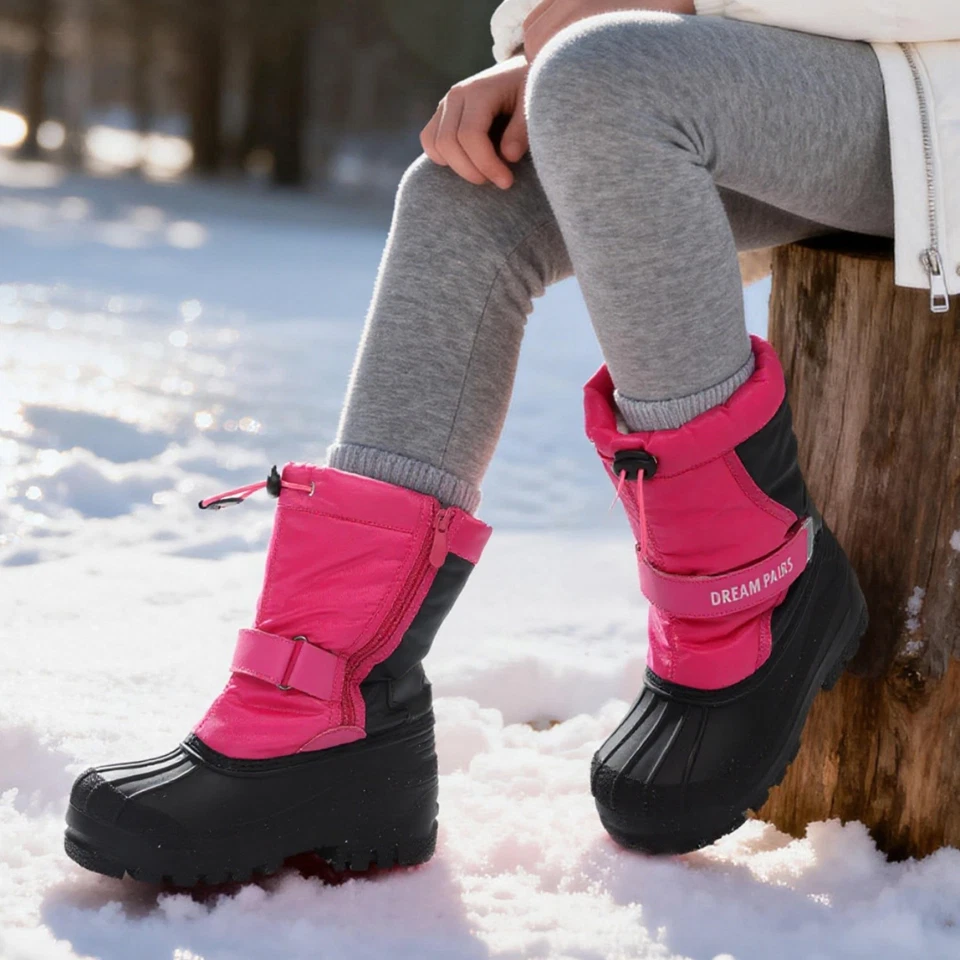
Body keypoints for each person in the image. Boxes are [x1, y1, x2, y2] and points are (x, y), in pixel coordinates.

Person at [65, 0, 959, 883]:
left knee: (605, 75)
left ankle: (751, 597)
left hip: (928, 74)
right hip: (786, 71)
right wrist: (552, 37)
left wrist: (629, 27)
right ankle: (328, 705)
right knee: (467, 186)